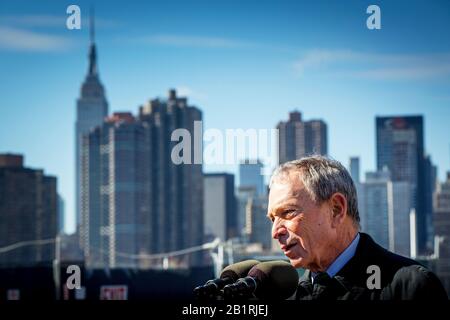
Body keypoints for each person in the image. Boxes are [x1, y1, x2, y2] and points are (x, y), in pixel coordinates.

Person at [268, 155, 448, 300]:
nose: (275, 232)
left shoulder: (410, 287)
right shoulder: (288, 295)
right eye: (272, 219)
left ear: (336, 210)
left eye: (288, 212)